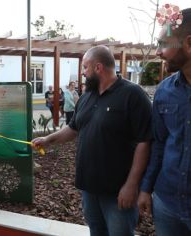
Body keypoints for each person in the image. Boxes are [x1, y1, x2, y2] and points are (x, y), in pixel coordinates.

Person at [32, 45, 152, 236]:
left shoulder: (133, 95)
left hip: (117, 191)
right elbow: (73, 128)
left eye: (85, 68)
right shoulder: (86, 97)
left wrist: (132, 185)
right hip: (89, 188)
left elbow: (145, 142)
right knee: (96, 232)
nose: (83, 73)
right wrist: (48, 139)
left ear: (98, 68)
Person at [138, 8, 191, 236]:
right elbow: (159, 144)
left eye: (164, 44)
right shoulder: (164, 92)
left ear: (189, 44)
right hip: (167, 204)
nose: (158, 52)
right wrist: (146, 189)